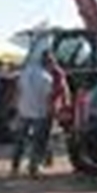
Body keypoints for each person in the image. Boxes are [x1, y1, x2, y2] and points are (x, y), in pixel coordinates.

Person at [11, 49, 59, 177]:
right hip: (39, 113)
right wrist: (52, 113)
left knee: (20, 141)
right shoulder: (47, 78)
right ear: (48, 64)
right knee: (37, 142)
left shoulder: (25, 72)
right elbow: (48, 98)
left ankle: (15, 167)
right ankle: (33, 169)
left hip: (23, 110)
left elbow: (18, 90)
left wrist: (16, 108)